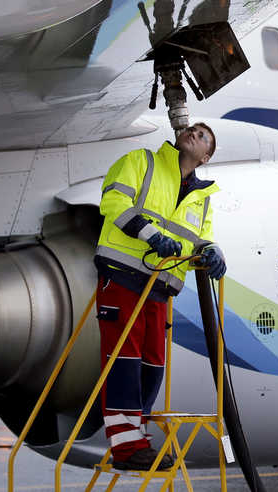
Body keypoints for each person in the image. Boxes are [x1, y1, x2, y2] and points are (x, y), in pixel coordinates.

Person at [94, 122, 226, 471]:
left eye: (202, 137)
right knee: (124, 360)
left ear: (206, 157)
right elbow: (113, 201)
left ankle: (137, 439)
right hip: (122, 275)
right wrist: (150, 235)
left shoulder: (202, 196)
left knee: (152, 364)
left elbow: (202, 237)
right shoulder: (142, 162)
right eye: (193, 130)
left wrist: (212, 252)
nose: (193, 133)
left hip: (159, 288)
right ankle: (125, 448)